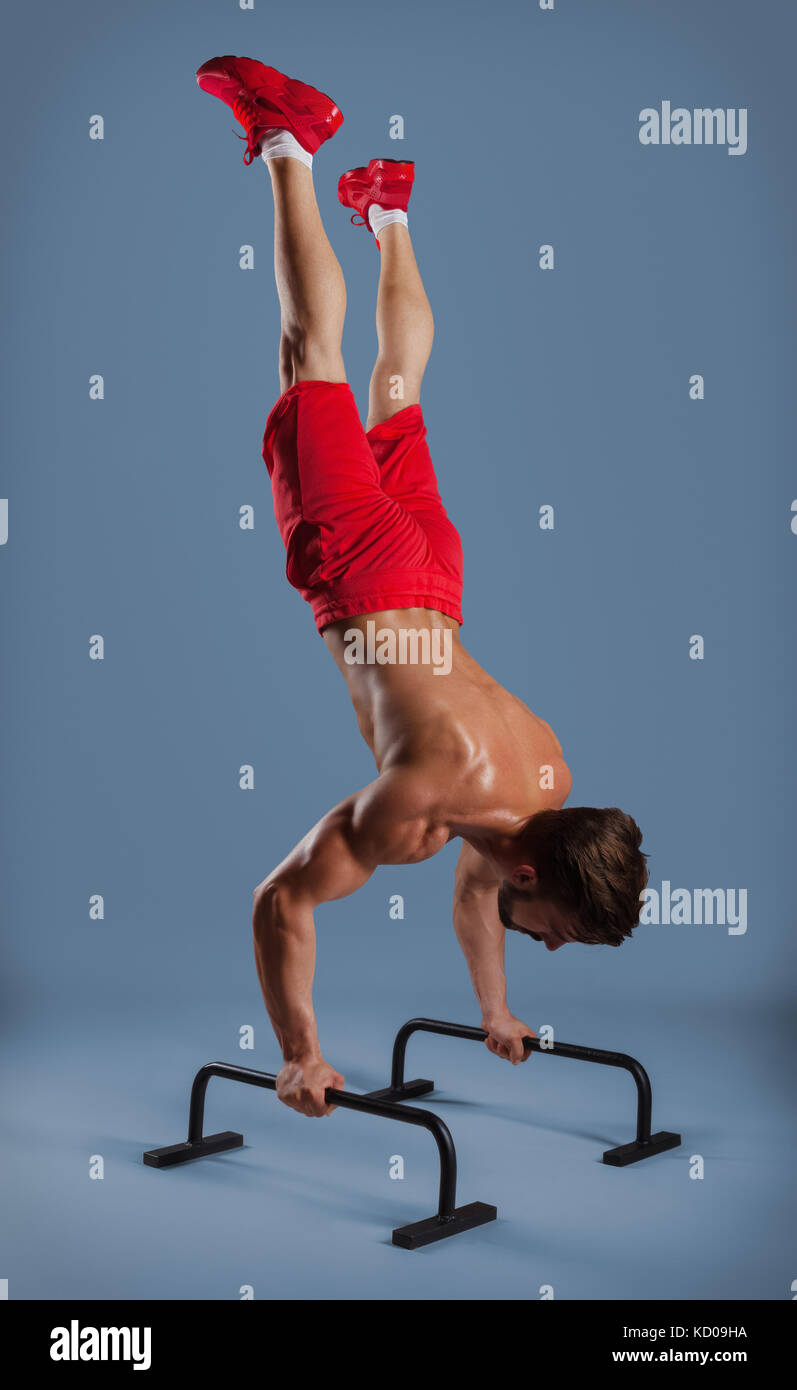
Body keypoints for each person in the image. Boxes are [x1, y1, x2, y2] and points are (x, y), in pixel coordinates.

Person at [197, 55, 648, 1117]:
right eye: (559, 941)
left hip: (433, 574)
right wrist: (298, 1050)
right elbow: (279, 901)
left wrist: (494, 1013)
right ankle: (287, 141)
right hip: (362, 570)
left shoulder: (542, 783)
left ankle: (388, 213)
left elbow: (480, 895)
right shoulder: (421, 810)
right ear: (537, 879)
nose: (548, 949)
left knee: (397, 391)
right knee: (312, 354)